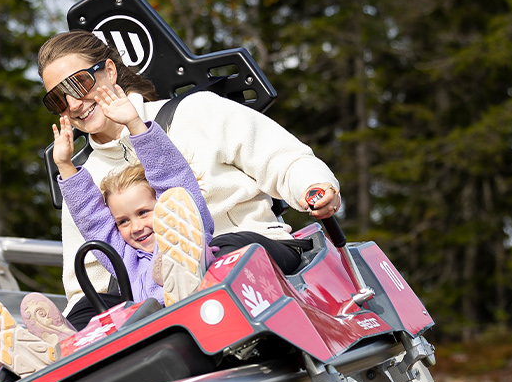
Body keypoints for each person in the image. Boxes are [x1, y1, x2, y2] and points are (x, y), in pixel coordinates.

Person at [36, 31, 342, 329]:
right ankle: (43, 358)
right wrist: (84, 314)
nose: (73, 104)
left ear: (110, 71)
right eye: (58, 100)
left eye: (79, 83)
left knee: (221, 252)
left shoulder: (195, 113)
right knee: (91, 306)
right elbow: (89, 276)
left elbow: (282, 159)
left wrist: (312, 186)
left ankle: (186, 277)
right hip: (150, 294)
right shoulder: (83, 180)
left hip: (244, 248)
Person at [0, 84, 213, 374]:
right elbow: (95, 221)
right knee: (115, 317)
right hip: (153, 334)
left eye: (143, 213)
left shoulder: (190, 225)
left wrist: (135, 124)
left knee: (179, 244)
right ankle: (57, 354)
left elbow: (172, 178)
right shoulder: (128, 263)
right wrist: (64, 165)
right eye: (123, 222)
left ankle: (184, 279)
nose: (135, 227)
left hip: (199, 300)